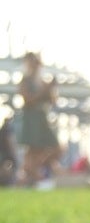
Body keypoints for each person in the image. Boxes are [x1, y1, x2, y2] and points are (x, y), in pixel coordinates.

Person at [18, 52, 61, 186]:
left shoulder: (42, 80)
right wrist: (44, 90)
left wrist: (52, 89)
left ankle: (32, 171)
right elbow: (27, 99)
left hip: (43, 117)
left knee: (54, 148)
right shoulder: (25, 80)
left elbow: (53, 101)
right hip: (32, 117)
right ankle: (31, 174)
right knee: (33, 149)